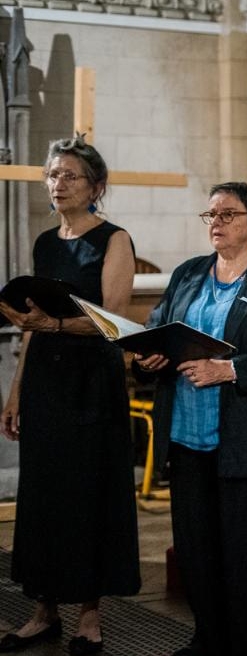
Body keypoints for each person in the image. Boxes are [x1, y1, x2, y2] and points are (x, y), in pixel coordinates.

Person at [136, 183, 247, 656]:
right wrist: (150, 353)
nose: (217, 222)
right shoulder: (190, 273)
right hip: (187, 437)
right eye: (210, 214)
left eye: (229, 214)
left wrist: (228, 370)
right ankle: (209, 638)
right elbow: (159, 323)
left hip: (245, 437)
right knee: (198, 553)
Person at [0, 136, 140, 655]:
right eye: (53, 175)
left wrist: (53, 322)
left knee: (86, 495)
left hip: (90, 384)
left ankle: (89, 616)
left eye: (70, 176)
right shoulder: (44, 242)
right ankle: (43, 610)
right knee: (43, 497)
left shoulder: (114, 239)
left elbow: (116, 321)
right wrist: (15, 392)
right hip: (45, 381)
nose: (58, 184)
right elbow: (30, 327)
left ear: (96, 186)